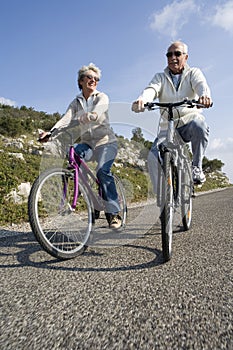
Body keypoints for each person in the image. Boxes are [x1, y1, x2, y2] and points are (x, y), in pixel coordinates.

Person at [39, 63, 122, 229]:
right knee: (72, 161)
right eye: (89, 77)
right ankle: (89, 200)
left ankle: (113, 214)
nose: (93, 80)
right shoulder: (76, 102)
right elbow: (66, 119)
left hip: (106, 142)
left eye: (96, 79)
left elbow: (100, 108)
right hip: (87, 143)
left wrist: (92, 114)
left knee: (102, 172)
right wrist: (50, 133)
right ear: (81, 81)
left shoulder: (101, 96)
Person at [132, 41, 212, 189]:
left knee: (200, 126)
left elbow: (201, 84)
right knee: (153, 157)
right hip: (167, 127)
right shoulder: (160, 77)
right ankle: (163, 196)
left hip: (189, 122)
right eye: (169, 54)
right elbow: (152, 89)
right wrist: (142, 99)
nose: (173, 57)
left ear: (186, 57)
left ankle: (196, 167)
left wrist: (204, 95)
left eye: (177, 54)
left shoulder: (193, 73)